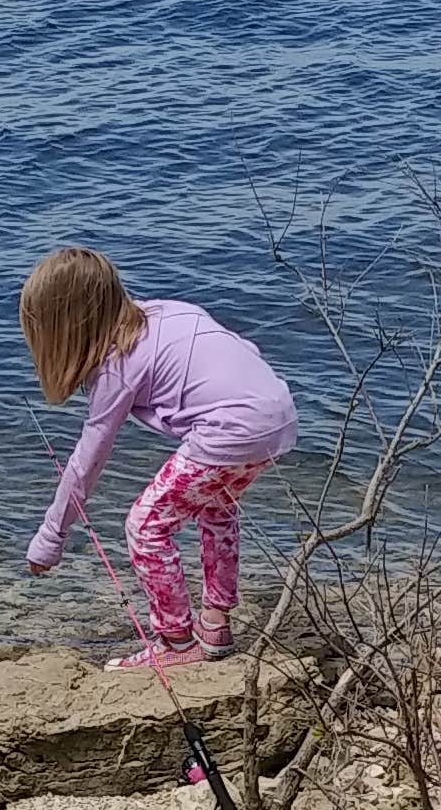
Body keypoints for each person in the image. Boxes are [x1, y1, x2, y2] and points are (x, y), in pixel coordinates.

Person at [19, 246, 298, 659]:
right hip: (278, 414)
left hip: (229, 429)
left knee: (145, 526)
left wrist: (51, 537)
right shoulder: (170, 310)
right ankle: (215, 625)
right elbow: (240, 349)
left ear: (68, 326)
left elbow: (86, 463)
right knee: (216, 507)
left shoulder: (117, 366)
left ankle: (175, 642)